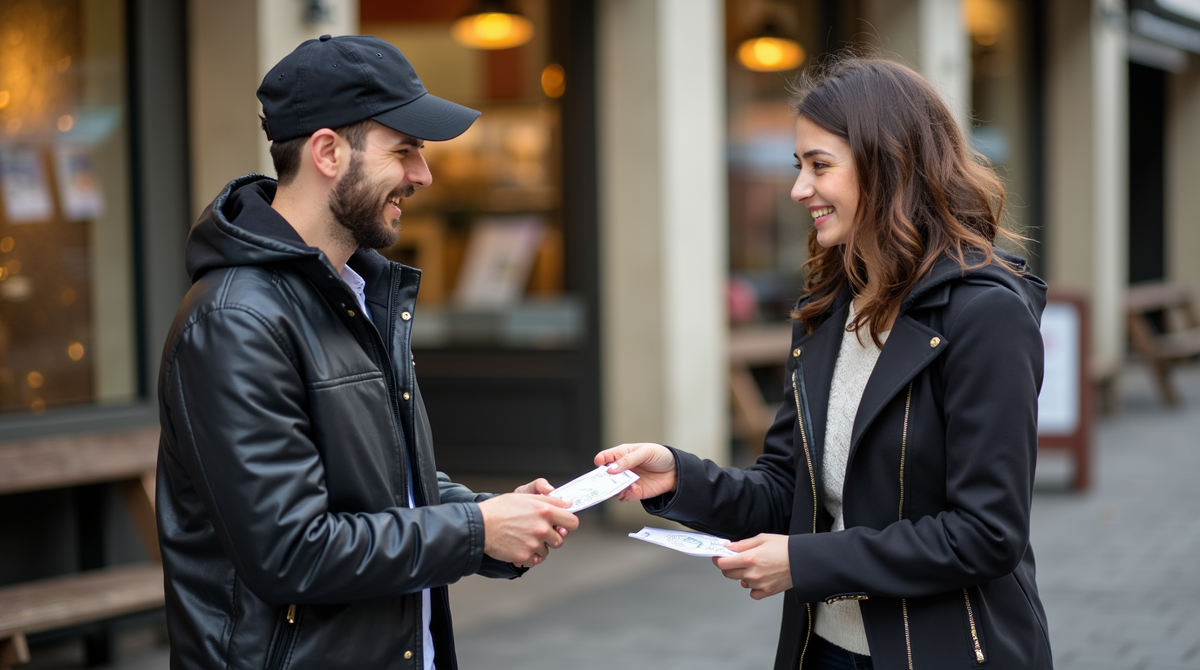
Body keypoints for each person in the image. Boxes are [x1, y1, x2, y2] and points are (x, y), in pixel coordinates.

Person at [597, 54, 1053, 670]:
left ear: (889, 166)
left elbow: (986, 535)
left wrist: (806, 563)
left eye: (819, 166)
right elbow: (787, 489)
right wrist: (680, 476)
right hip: (826, 650)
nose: (798, 189)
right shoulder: (829, 307)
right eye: (798, 165)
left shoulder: (983, 315)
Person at [156, 35, 578, 670]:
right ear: (327, 151)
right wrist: (476, 532)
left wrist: (491, 515)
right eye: (404, 150)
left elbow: (382, 481)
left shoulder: (359, 291)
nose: (423, 175)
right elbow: (291, 551)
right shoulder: (235, 320)